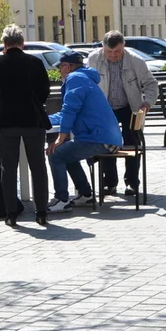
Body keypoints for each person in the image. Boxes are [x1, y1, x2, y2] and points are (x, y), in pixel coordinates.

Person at [0, 24, 52, 226]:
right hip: (32, 118)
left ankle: (11, 214)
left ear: (4, 44)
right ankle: (41, 211)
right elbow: (45, 91)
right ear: (22, 43)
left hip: (7, 120)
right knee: (38, 166)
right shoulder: (35, 62)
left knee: (9, 167)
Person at [46, 52, 122, 213]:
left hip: (99, 138)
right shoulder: (83, 78)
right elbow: (67, 112)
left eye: (60, 67)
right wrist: (43, 120)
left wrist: (61, 136)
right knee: (66, 153)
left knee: (56, 153)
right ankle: (85, 194)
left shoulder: (75, 79)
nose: (59, 71)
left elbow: (70, 109)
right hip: (104, 137)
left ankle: (62, 199)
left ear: (68, 66)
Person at [87, 31, 158, 196]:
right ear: (103, 48)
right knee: (106, 144)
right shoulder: (93, 59)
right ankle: (109, 183)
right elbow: (89, 84)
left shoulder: (136, 61)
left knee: (133, 143)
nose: (113, 55)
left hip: (130, 107)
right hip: (105, 108)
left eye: (117, 51)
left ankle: (132, 183)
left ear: (123, 46)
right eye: (109, 52)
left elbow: (151, 84)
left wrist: (147, 103)